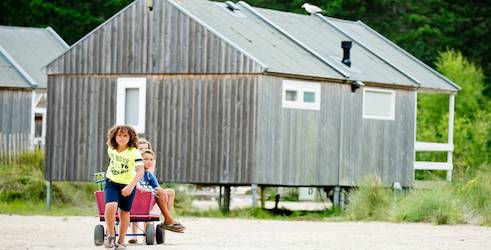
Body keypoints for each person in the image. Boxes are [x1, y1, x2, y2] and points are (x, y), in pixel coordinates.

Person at [103, 125, 144, 250]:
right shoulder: (111, 148)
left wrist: (131, 186)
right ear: (114, 136)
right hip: (112, 182)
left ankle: (121, 241)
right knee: (111, 206)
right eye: (119, 135)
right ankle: (110, 234)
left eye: (125, 135)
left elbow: (140, 170)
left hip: (128, 185)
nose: (122, 138)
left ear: (130, 137)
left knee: (125, 212)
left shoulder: (134, 152)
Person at [139, 149, 185, 233]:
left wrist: (162, 192)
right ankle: (169, 219)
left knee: (170, 192)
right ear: (140, 160)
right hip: (138, 198)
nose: (149, 161)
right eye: (146, 159)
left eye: (151, 159)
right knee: (159, 191)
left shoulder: (149, 174)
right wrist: (158, 191)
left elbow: (157, 187)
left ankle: (168, 219)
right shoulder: (136, 171)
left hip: (148, 198)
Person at [128, 138, 154, 244]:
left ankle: (147, 234)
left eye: (145, 148)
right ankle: (134, 235)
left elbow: (149, 174)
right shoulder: (133, 159)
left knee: (146, 208)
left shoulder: (149, 160)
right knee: (136, 209)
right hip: (135, 185)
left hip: (146, 186)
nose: (143, 150)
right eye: (141, 148)